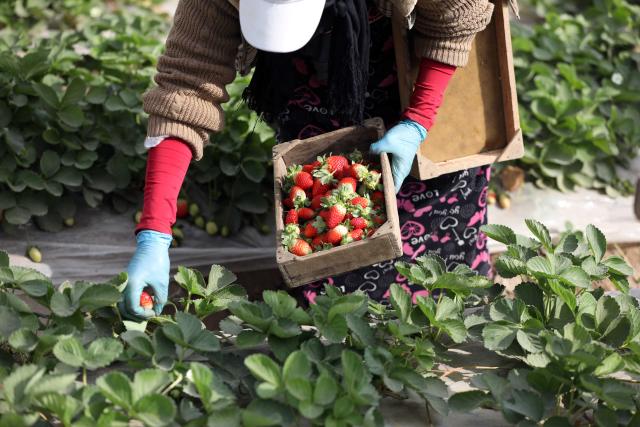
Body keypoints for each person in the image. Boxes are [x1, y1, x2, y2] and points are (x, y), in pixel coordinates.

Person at [120, 0, 495, 319]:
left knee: (443, 251)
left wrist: (418, 121)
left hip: (409, 63)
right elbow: (185, 86)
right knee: (332, 273)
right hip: (311, 91)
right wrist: (155, 234)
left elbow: (458, 12)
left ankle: (453, 317)